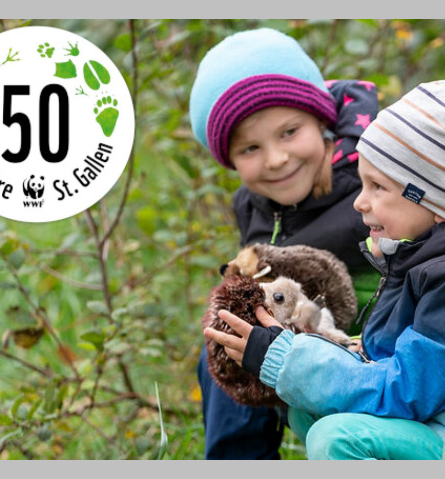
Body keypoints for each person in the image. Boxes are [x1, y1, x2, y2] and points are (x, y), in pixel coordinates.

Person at [204, 80, 445, 460]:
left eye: (377, 187)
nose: (359, 203)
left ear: (435, 196)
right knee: (308, 408)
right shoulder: (425, 251)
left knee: (336, 438)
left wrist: (287, 358)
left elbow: (405, 390)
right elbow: (392, 361)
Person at [188, 27, 380, 460]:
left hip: (375, 348)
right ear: (230, 159)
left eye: (289, 132)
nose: (276, 159)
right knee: (228, 339)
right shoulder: (251, 205)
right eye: (250, 148)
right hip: (301, 341)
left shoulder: (370, 180)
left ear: (321, 119)